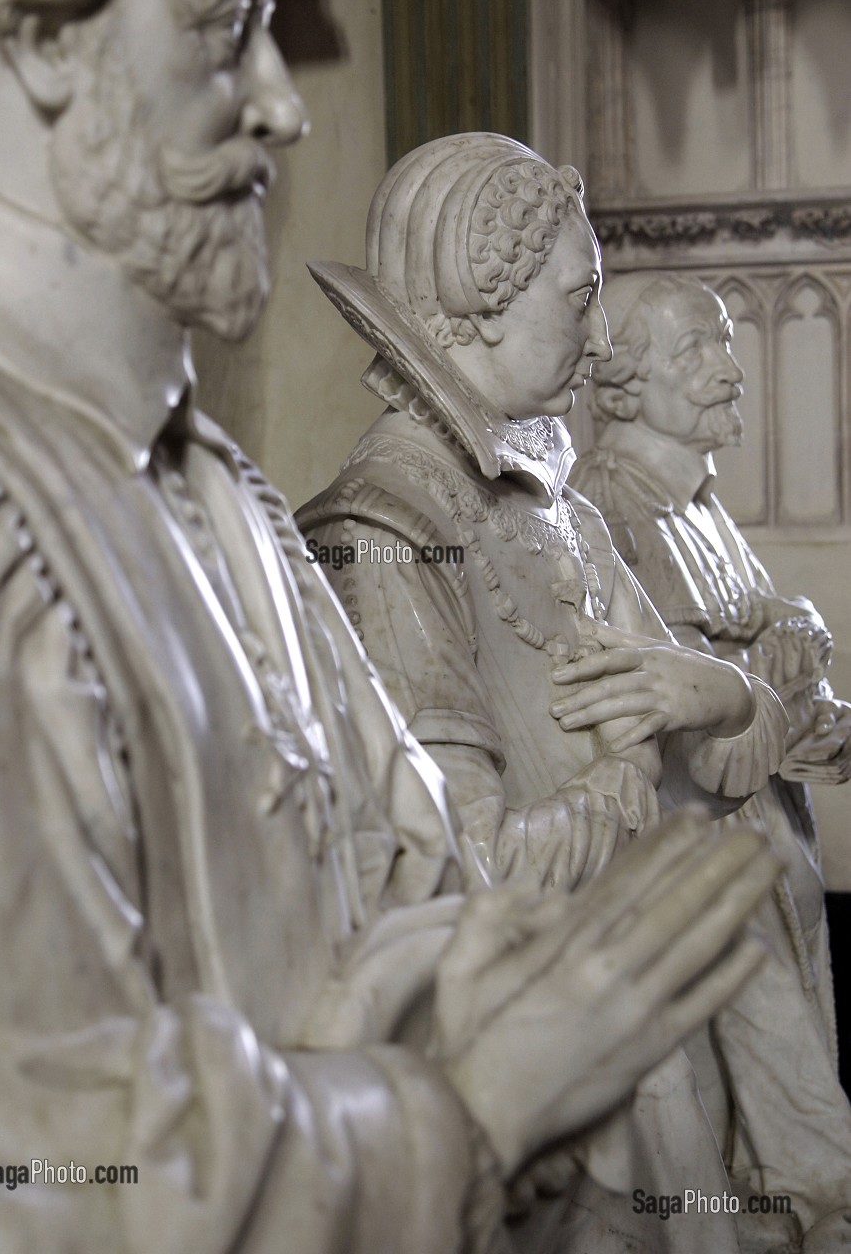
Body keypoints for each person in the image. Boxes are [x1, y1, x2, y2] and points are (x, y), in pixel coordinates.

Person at [0, 0, 782, 1252]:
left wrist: (491, 994)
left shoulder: (221, 495)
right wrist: (467, 1113)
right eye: (223, 27)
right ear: (39, 41)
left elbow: (421, 876)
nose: (282, 98)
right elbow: (12, 1175)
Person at [298, 133, 790, 1252]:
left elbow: (723, 735)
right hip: (544, 1054)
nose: (602, 337)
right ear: (481, 298)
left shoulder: (555, 498)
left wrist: (711, 687)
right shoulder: (391, 526)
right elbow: (456, 869)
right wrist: (631, 775)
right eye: (583, 298)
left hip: (647, 1007)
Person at [572, 269, 851, 1250]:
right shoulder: (613, 506)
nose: (730, 368)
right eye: (696, 348)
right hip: (708, 871)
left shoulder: (697, 504)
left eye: (726, 342)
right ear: (627, 382)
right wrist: (780, 686)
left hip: (766, 864)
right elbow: (696, 732)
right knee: (800, 1159)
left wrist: (807, 698)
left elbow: (774, 704)